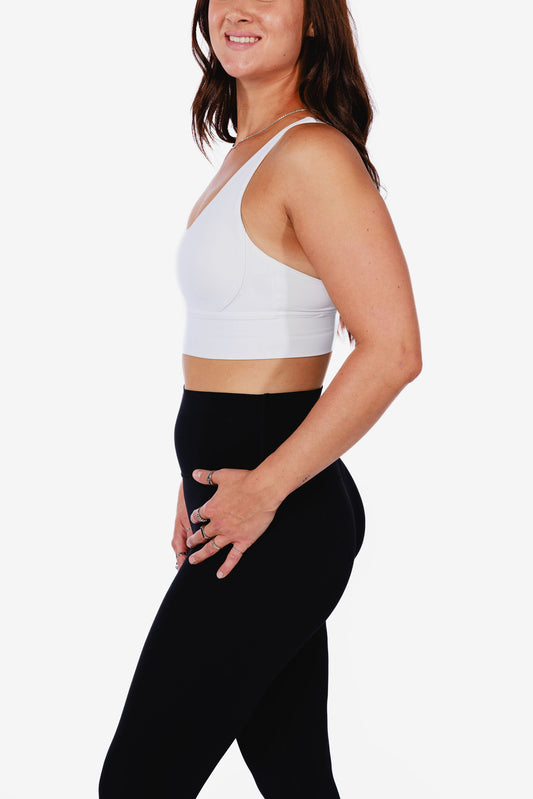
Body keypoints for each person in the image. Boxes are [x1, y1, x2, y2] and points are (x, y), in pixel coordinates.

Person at [98, 0, 422, 796]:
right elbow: (237, 346)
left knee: (137, 781)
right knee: (294, 776)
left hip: (279, 514)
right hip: (242, 498)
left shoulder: (310, 153)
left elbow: (393, 352)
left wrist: (262, 489)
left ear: (313, 19)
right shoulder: (252, 150)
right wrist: (197, 478)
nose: (239, 9)